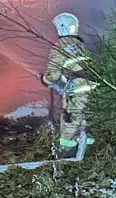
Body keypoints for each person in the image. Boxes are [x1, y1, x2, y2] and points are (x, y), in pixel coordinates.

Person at [41, 11, 95, 155]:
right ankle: (88, 152)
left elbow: (54, 73)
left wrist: (45, 80)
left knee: (70, 120)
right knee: (84, 119)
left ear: (62, 28)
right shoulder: (80, 45)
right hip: (91, 88)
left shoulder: (59, 45)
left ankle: (66, 153)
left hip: (76, 90)